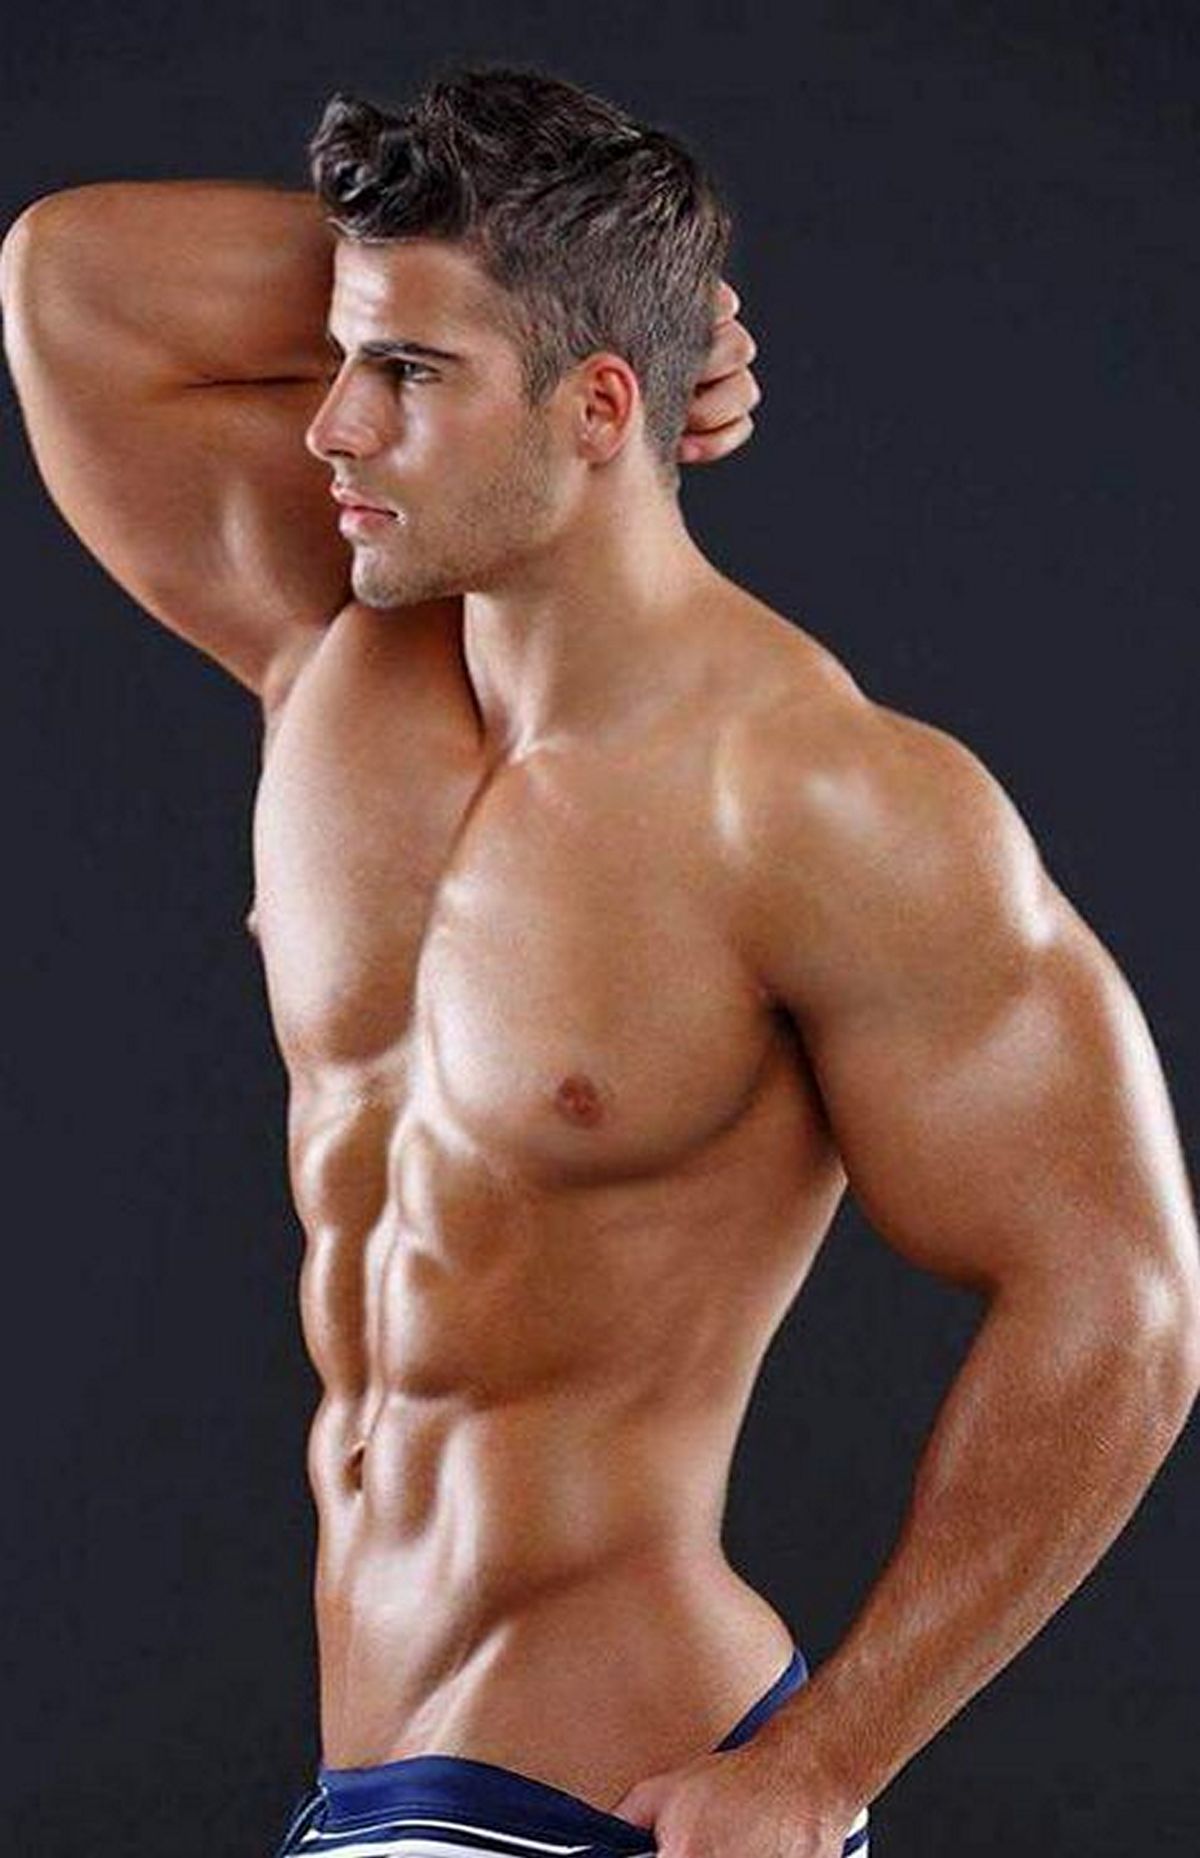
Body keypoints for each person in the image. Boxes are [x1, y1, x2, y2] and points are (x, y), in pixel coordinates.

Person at [2, 60, 1197, 1858]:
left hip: (620, 1799)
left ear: (601, 410)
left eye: (409, 375)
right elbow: (70, 277)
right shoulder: (331, 665)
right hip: (365, 1788)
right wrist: (587, 296)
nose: (330, 426)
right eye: (340, 355)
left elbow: (1123, 1304)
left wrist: (824, 1764)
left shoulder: (819, 798)